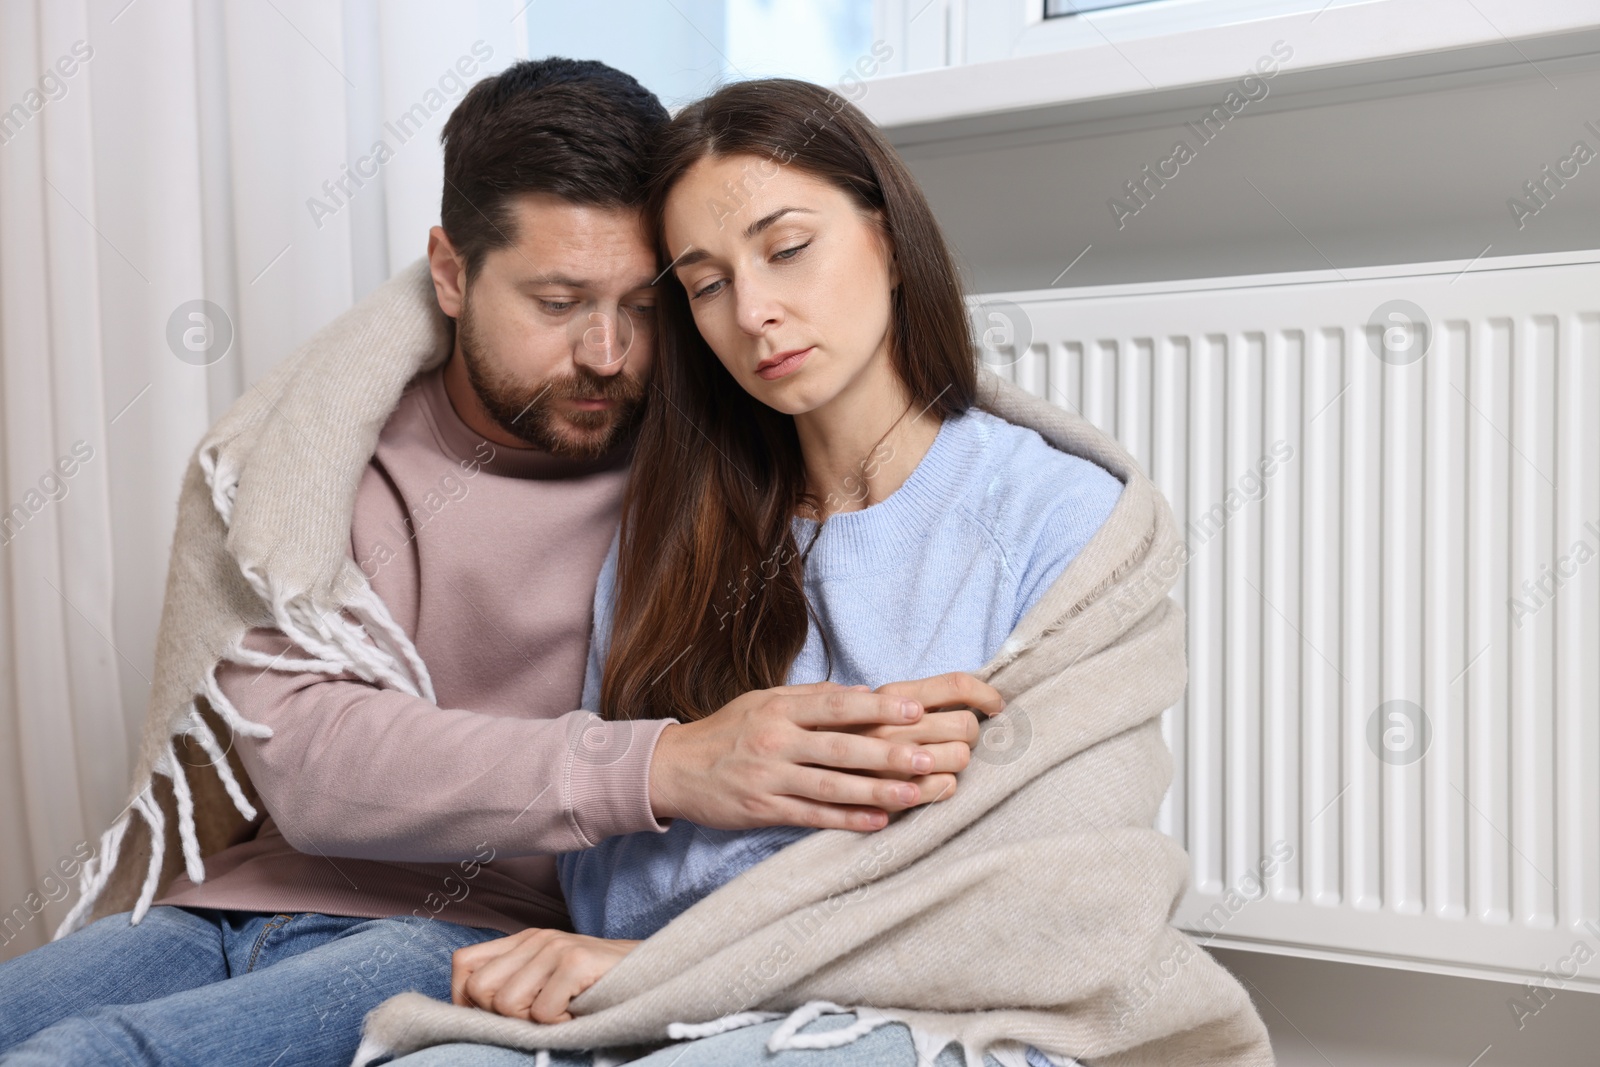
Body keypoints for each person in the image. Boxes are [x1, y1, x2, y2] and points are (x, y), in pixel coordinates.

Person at [0, 61, 991, 1067]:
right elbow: (304, 758)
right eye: (558, 302)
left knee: (91, 1054)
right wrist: (660, 764)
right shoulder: (308, 450)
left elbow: (895, 426)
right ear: (449, 272)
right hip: (232, 900)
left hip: (482, 934)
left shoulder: (707, 461)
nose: (606, 352)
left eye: (642, 306)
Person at [401, 78, 1123, 1067]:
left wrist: (674, 962)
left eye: (787, 249)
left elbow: (1048, 895)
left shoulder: (1053, 512)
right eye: (703, 284)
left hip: (932, 1016)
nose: (754, 310)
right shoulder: (672, 527)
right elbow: (607, 879)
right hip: (662, 999)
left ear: (887, 235)